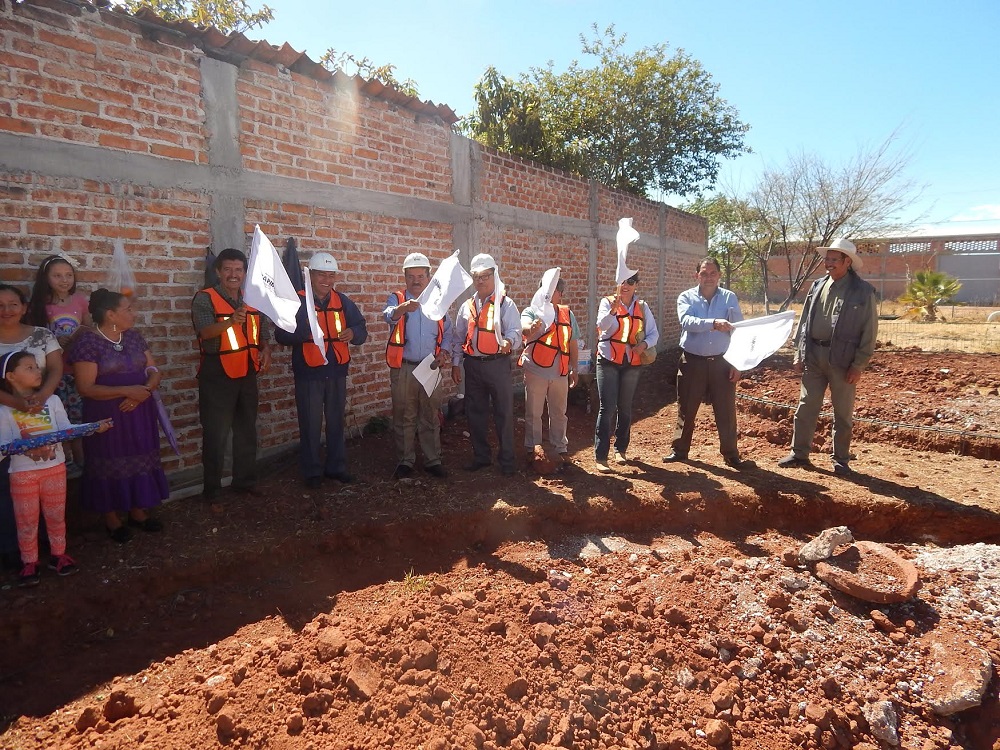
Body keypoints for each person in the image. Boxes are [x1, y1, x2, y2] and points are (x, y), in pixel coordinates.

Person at [0, 352, 109, 586]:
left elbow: (67, 429)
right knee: (26, 520)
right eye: (29, 367)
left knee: (56, 516)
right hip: (22, 475)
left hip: (55, 469)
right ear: (10, 376)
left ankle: (59, 555)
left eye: (37, 366)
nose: (38, 371)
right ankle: (29, 561)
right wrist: (28, 450)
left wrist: (93, 428)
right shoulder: (4, 410)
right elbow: (5, 444)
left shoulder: (53, 401)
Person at [67, 289, 168, 543]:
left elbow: (152, 368)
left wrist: (145, 389)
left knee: (140, 455)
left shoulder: (134, 337)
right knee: (108, 459)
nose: (133, 313)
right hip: (108, 415)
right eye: (128, 309)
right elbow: (85, 387)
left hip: (139, 410)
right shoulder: (88, 343)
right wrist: (127, 391)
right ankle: (111, 518)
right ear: (110, 314)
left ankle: (137, 511)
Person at [778, 239, 878, 475]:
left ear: (847, 262)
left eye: (834, 259)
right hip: (814, 357)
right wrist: (798, 352)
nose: (828, 263)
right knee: (805, 407)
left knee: (842, 413)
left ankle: (841, 459)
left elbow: (870, 331)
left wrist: (859, 365)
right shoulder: (817, 286)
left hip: (843, 362)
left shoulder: (862, 292)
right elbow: (804, 322)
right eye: (827, 259)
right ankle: (799, 453)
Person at [274, 252, 367, 489]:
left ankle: (336, 467)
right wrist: (304, 334)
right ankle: (312, 472)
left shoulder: (343, 301)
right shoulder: (297, 301)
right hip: (309, 374)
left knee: (336, 422)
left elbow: (361, 328)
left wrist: (353, 333)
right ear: (311, 276)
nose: (326, 280)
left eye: (330, 275)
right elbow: (280, 334)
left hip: (336, 372)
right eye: (321, 275)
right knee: (310, 424)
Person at [191, 248, 272, 502]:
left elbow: (263, 331)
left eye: (238, 270)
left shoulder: (252, 299)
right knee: (216, 434)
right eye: (228, 269)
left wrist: (266, 349)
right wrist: (230, 321)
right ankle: (212, 491)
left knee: (246, 429)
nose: (233, 275)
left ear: (245, 273)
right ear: (218, 272)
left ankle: (244, 481)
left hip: (247, 371)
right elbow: (204, 332)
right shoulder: (205, 298)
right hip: (217, 374)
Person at [0, 283, 65, 570]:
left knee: (43, 480)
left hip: (41, 411)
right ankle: (14, 549)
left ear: (24, 307)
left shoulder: (42, 335)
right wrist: (15, 404)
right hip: (5, 416)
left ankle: (51, 548)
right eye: (0, 305)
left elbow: (55, 369)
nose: (6, 310)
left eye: (13, 304)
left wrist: (42, 397)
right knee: (9, 486)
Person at [663, 257, 747, 469]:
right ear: (697, 275)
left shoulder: (729, 298)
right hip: (693, 361)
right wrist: (713, 324)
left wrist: (738, 364)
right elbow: (686, 322)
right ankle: (680, 450)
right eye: (703, 273)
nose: (708, 277)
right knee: (687, 407)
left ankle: (731, 454)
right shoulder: (686, 297)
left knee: (725, 409)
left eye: (712, 273)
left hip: (723, 362)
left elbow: (739, 330)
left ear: (719, 275)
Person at [383, 252, 453, 479]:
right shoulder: (397, 298)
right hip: (404, 368)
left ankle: (433, 460)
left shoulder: (437, 301)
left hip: (431, 367)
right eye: (411, 276)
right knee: (404, 415)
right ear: (405, 277)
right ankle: (405, 461)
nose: (416, 281)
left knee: (431, 414)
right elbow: (388, 316)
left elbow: (448, 331)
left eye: (421, 276)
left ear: (428, 277)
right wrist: (403, 308)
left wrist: (444, 352)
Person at [451, 253, 522, 477]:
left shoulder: (505, 303)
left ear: (494, 275)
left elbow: (515, 332)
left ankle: (507, 461)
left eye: (485, 276)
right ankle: (481, 457)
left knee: (503, 413)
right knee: (475, 413)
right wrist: (455, 364)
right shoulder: (467, 307)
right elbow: (458, 337)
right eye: (476, 276)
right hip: (473, 366)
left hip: (497, 365)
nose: (481, 280)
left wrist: (509, 342)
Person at [26, 255, 90, 478]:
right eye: (57, 276)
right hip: (50, 374)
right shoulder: (39, 305)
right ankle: (63, 465)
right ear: (46, 278)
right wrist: (54, 341)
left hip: (75, 371)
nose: (64, 280)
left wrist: (77, 337)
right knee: (56, 421)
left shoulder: (80, 301)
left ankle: (83, 465)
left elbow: (89, 329)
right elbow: (32, 338)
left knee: (78, 420)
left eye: (69, 275)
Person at [593, 272, 659, 473]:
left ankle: (620, 450)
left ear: (636, 285)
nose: (625, 285)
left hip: (631, 362)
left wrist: (644, 345)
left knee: (625, 407)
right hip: (608, 360)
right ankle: (601, 456)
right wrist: (612, 312)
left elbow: (654, 333)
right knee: (607, 407)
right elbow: (601, 327)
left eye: (630, 281)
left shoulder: (642, 307)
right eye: (622, 281)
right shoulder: (607, 303)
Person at [520, 278, 579, 470]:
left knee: (559, 412)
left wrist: (574, 368)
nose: (548, 293)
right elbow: (524, 327)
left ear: (560, 294)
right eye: (546, 289)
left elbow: (572, 342)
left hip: (560, 370)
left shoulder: (567, 314)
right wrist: (532, 327)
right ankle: (532, 449)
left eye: (554, 290)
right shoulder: (531, 311)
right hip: (536, 370)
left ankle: (560, 448)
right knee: (533, 412)